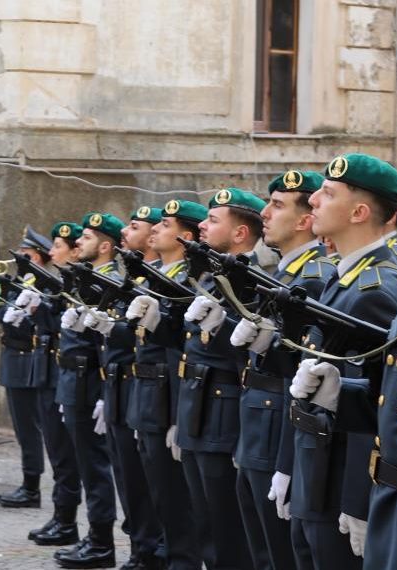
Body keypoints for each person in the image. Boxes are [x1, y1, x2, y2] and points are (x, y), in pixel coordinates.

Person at [130, 188, 264, 570]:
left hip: (222, 414)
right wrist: (156, 324)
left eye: (213, 220)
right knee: (207, 527)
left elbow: (253, 359)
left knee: (227, 534)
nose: (203, 225)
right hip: (195, 409)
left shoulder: (252, 280)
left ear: (239, 233)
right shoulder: (213, 275)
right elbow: (186, 346)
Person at [285, 154, 397, 569]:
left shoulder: (378, 290)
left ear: (359, 213)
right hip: (319, 470)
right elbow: (379, 392)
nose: (313, 200)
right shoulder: (345, 277)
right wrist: (337, 393)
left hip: (340, 481)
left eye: (327, 193)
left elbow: (389, 413)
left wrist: (356, 500)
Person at [229, 170, 336, 570]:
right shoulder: (284, 273)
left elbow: (303, 371)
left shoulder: (314, 278)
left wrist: (286, 462)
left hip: (279, 427)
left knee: (279, 552)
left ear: (305, 219)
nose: (264, 214)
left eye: (276, 205)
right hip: (260, 422)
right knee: (262, 548)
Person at [126, 199, 208, 570]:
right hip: (146, 397)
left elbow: (181, 354)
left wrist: (177, 414)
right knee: (158, 495)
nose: (156, 229)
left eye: (166, 225)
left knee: (177, 503)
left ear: (185, 237)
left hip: (167, 400)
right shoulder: (155, 276)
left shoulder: (187, 282)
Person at [84, 206, 163, 570]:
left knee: (145, 485)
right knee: (128, 480)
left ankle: (148, 552)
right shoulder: (134, 278)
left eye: (134, 227)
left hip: (139, 387)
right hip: (117, 386)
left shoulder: (156, 281)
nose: (125, 235)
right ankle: (139, 550)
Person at [53, 212, 124, 569]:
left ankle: (101, 542)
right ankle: (93, 537)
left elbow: (107, 347)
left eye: (87, 237)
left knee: (95, 468)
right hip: (74, 382)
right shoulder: (88, 278)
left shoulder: (109, 283)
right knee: (85, 464)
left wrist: (103, 394)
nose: (79, 242)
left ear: (106, 246)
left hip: (90, 384)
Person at [25, 222, 84, 547]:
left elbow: (63, 330)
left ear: (74, 252)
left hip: (64, 375)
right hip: (49, 373)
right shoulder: (59, 283)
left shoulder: (75, 284)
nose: (52, 251)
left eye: (58, 246)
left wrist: (40, 307)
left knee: (66, 455)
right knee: (58, 454)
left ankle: (67, 521)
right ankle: (62, 517)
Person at [0, 225, 52, 509]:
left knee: (29, 429)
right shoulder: (23, 283)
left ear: (36, 257)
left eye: (24, 252)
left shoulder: (41, 287)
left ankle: (31, 488)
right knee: (23, 428)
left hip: (27, 361)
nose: (18, 256)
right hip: (15, 360)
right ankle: (30, 485)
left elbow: (18, 323)